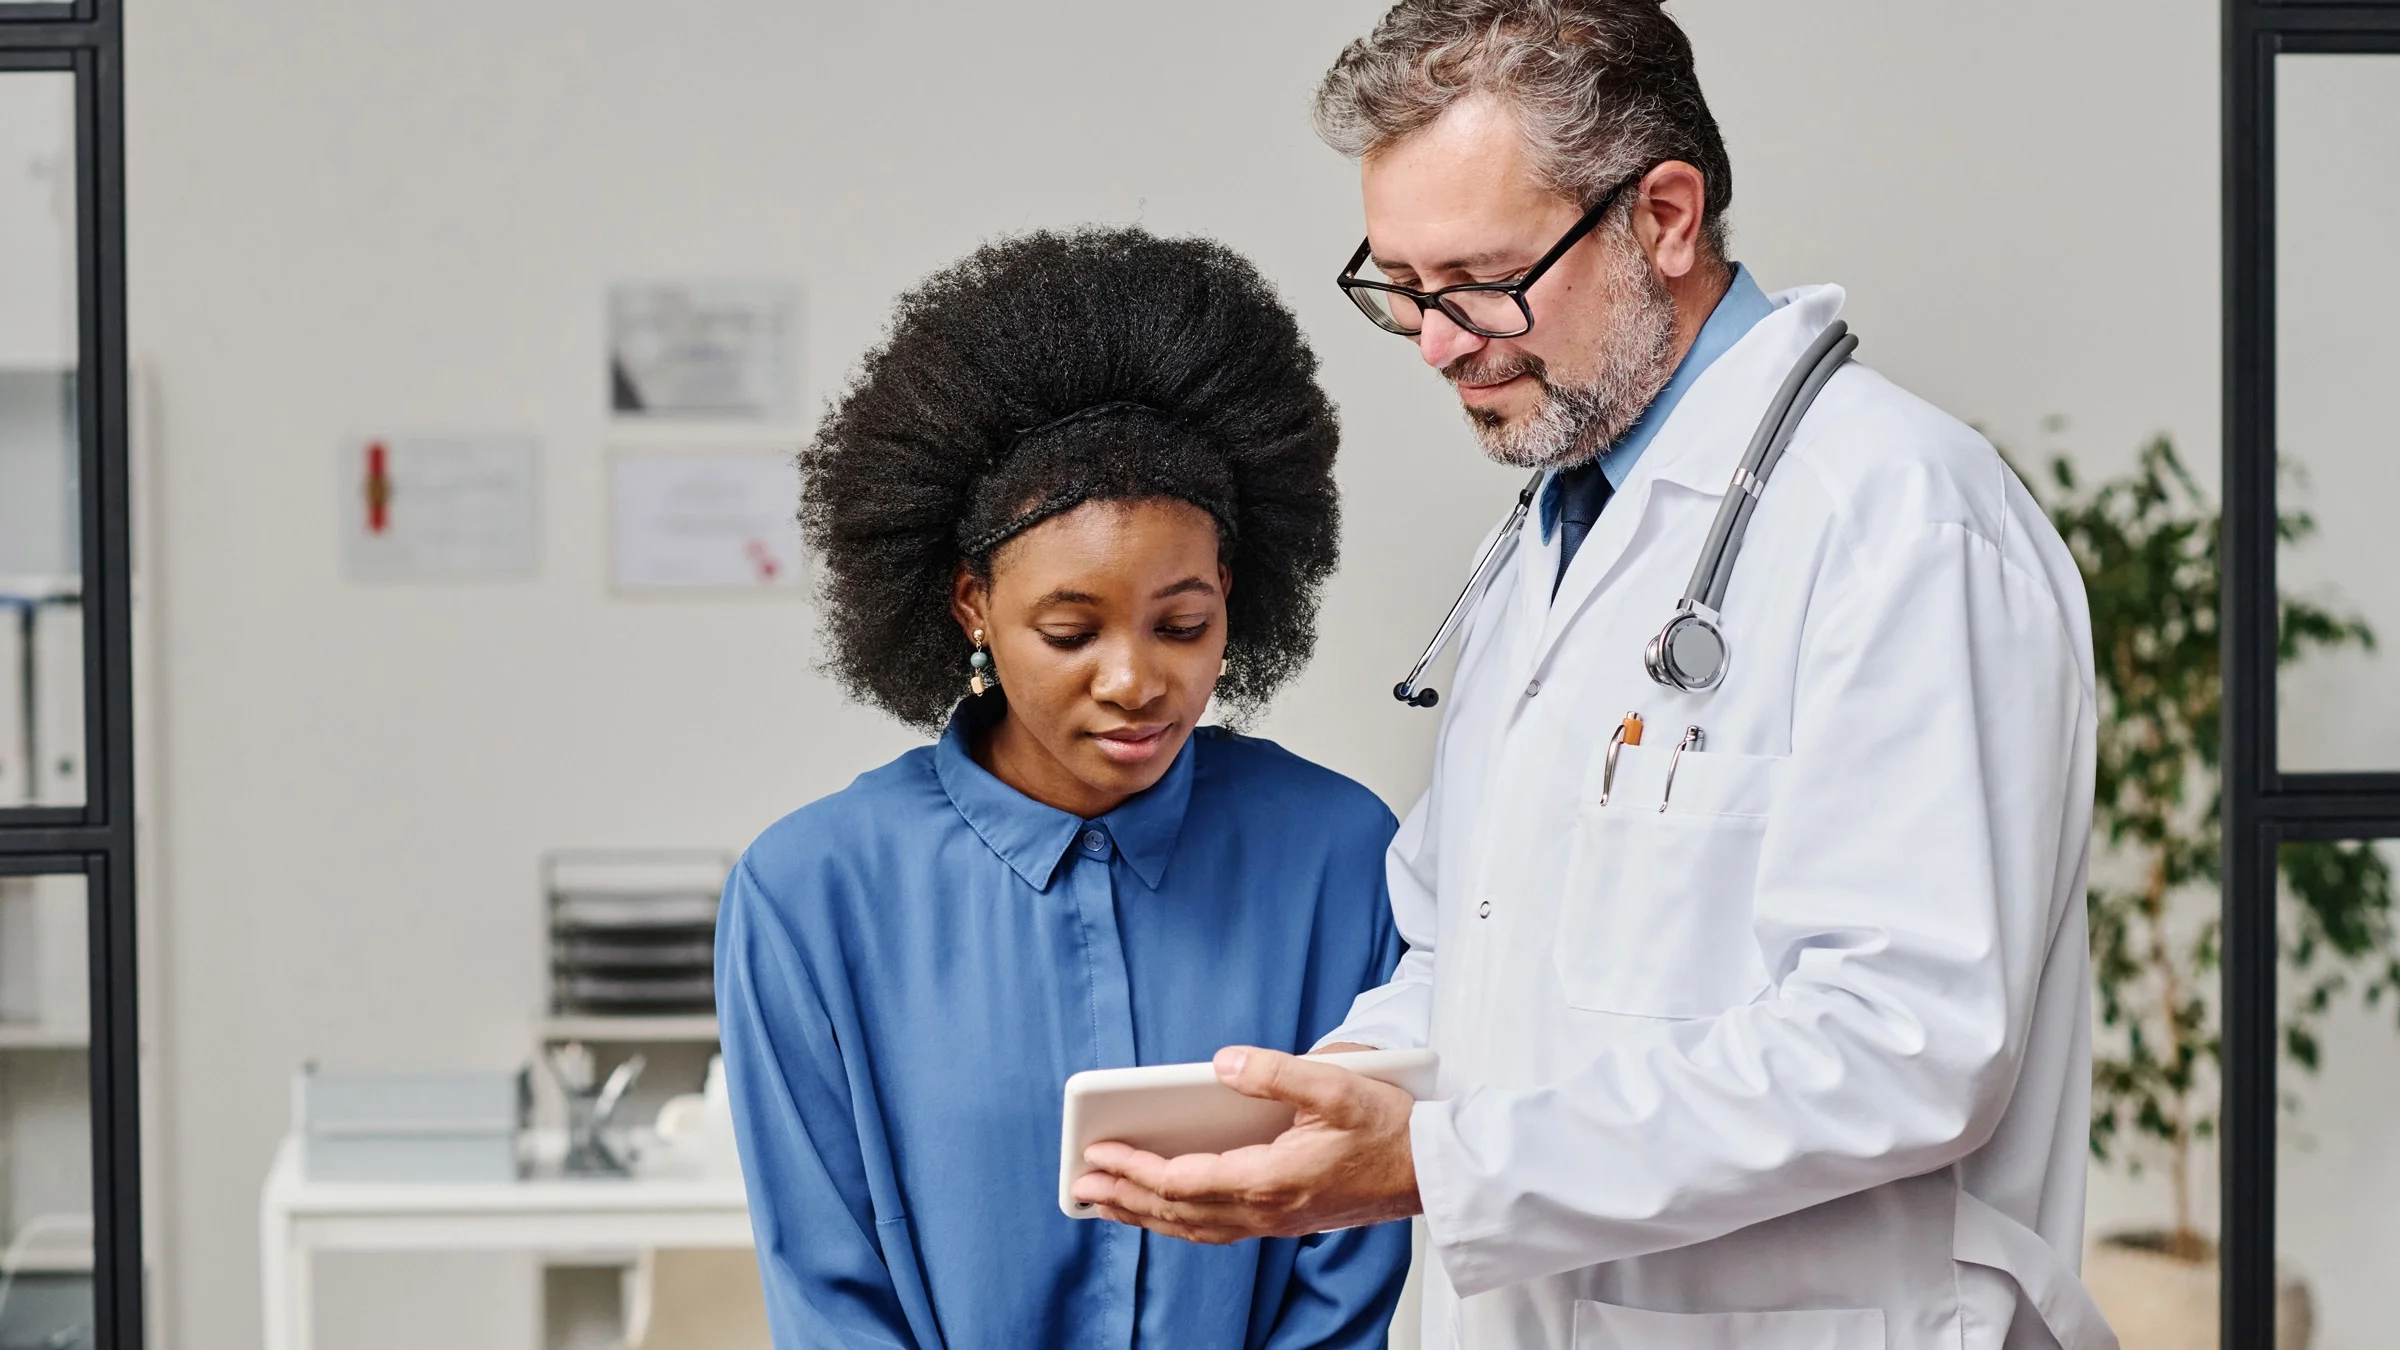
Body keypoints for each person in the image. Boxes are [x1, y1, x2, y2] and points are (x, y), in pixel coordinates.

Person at [1072, 5, 2117, 1348]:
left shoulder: (1902, 521)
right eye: (1402, 286)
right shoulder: (1556, 529)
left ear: (1665, 218)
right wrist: (1331, 1100)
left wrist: (1438, 1164)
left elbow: (1906, 1042)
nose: (1440, 342)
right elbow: (1467, 943)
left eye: (1477, 280)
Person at [715, 227, 1412, 1350]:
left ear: (1233, 593)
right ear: (970, 605)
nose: (1137, 681)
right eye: (1071, 630)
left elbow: (1347, 1262)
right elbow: (828, 1289)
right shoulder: (811, 893)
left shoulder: (1336, 855)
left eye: (1182, 624)